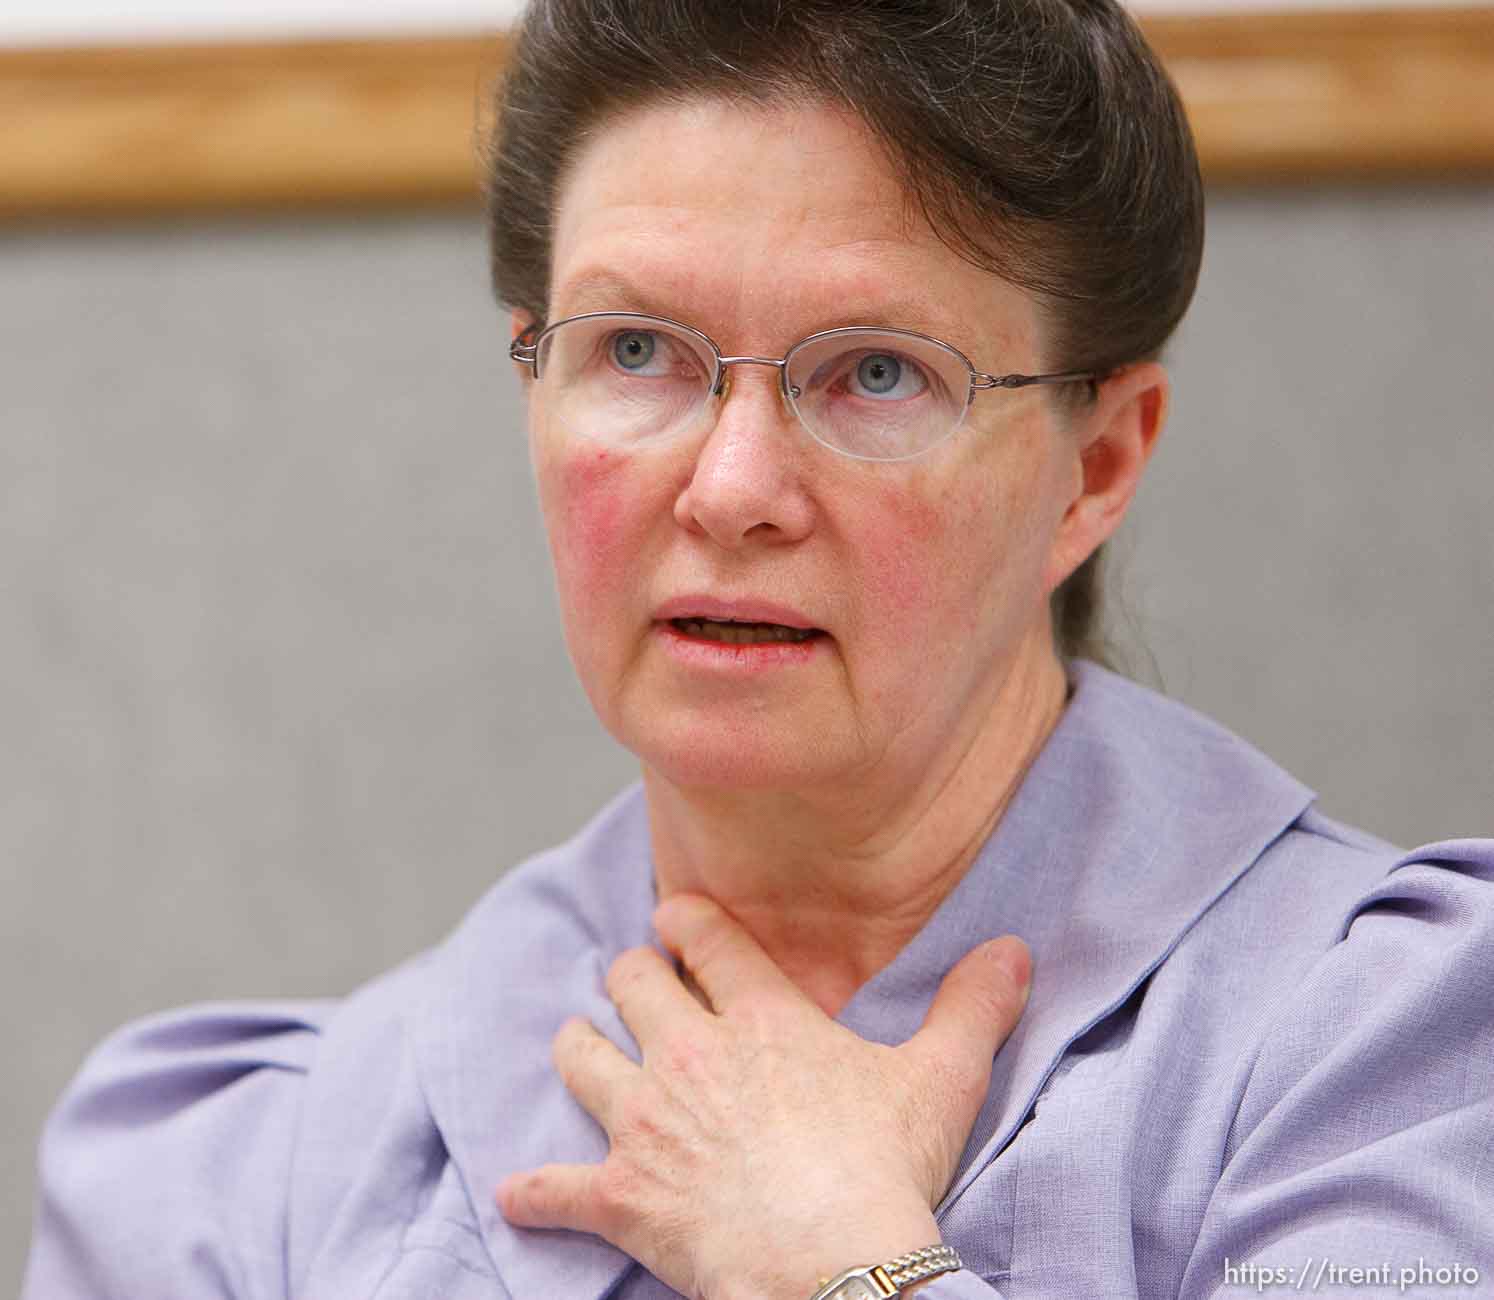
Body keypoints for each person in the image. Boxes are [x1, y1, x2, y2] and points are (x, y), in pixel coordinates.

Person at [22, 1, 1494, 1297]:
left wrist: (842, 1266)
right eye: (638, 351)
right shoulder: (241, 1177)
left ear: (1095, 467)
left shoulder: (1392, 1066)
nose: (728, 490)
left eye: (873, 373)